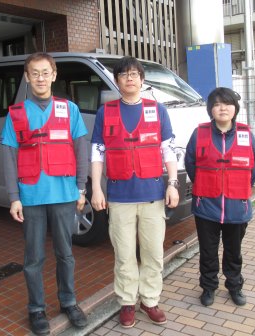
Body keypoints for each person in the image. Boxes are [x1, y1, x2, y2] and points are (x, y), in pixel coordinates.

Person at [0, 52, 88, 335]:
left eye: (45, 72)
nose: (40, 77)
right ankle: (36, 309)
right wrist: (14, 196)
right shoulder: (16, 114)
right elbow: (9, 155)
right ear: (27, 77)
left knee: (66, 254)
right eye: (34, 73)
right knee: (34, 258)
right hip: (31, 196)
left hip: (64, 193)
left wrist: (82, 187)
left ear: (54, 74)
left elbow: (81, 148)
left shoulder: (69, 109)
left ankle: (68, 302)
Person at [90, 56, 179, 328]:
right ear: (117, 81)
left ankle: (150, 300)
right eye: (124, 74)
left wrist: (173, 183)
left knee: (152, 252)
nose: (130, 78)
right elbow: (97, 151)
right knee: (124, 253)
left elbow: (168, 149)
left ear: (142, 80)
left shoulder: (158, 109)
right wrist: (96, 188)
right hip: (119, 197)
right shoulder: (106, 112)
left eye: (134, 74)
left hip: (152, 194)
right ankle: (127, 302)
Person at [185, 87, 255, 307]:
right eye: (217, 104)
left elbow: (253, 168)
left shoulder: (246, 133)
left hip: (237, 206)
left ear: (235, 108)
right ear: (211, 109)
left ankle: (235, 286)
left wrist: (237, 187)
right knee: (208, 252)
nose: (222, 108)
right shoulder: (200, 133)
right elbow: (190, 163)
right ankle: (208, 287)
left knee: (233, 251)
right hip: (206, 205)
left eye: (227, 104)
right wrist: (207, 183)